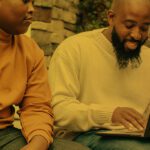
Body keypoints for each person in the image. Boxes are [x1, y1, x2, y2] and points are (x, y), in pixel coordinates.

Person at [48, 0, 150, 149]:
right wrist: (110, 114)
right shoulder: (74, 48)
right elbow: (58, 110)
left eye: (144, 28)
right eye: (129, 26)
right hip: (84, 135)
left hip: (137, 135)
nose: (136, 35)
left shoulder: (147, 57)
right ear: (111, 18)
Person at [0, 0, 90, 150]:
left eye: (33, 2)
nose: (31, 9)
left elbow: (36, 107)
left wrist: (37, 144)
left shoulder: (30, 50)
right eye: (25, 1)